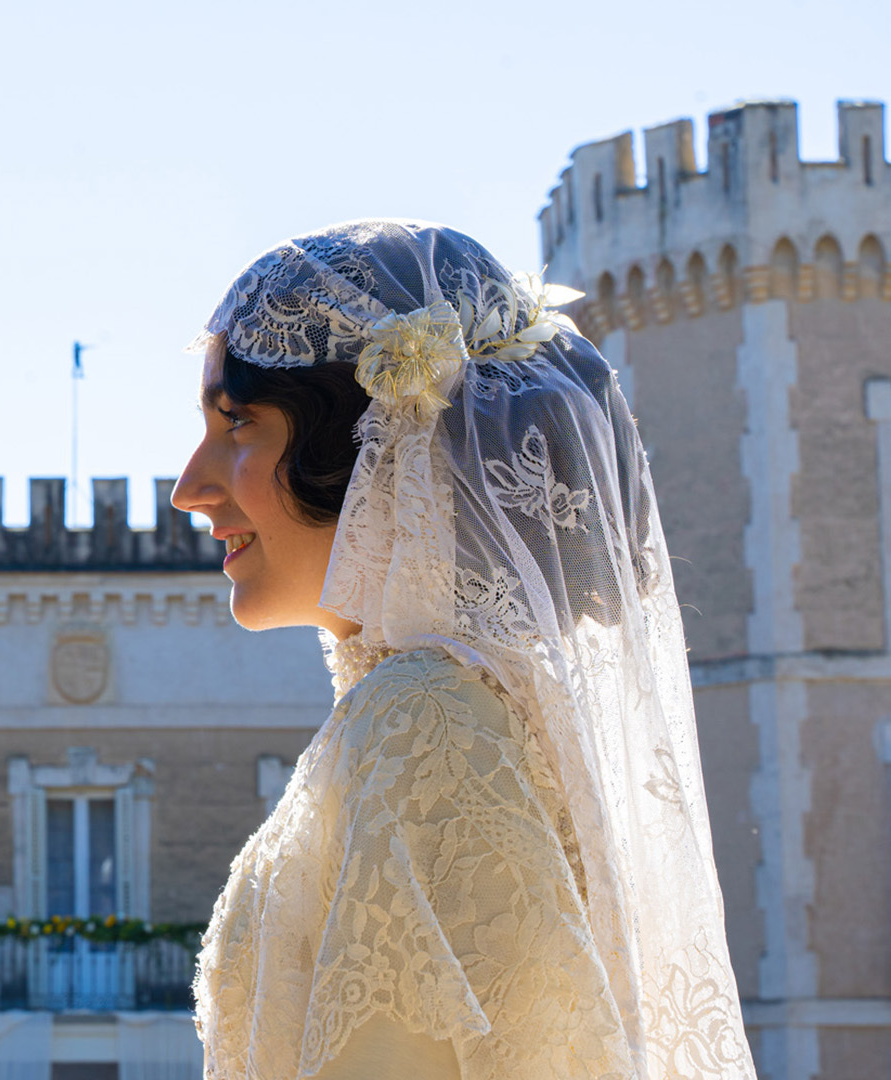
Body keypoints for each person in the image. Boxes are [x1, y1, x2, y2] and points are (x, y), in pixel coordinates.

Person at [175, 220, 757, 1080]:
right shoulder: (457, 709)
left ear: (375, 441)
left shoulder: (423, 721)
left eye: (240, 425)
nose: (191, 486)